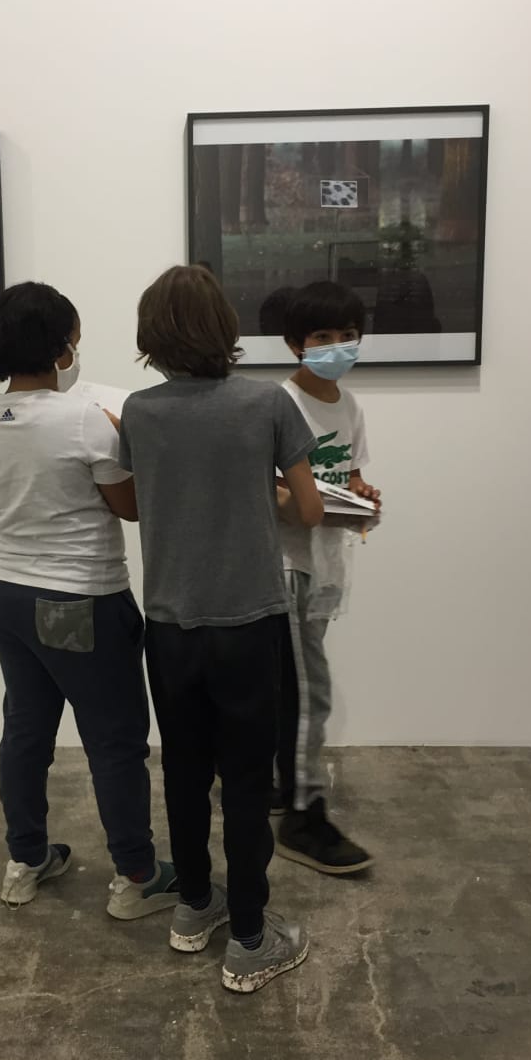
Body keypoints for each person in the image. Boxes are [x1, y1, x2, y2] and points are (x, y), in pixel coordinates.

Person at [118, 266, 323, 994]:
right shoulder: (266, 403)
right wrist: (258, 487)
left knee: (181, 771)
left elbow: (136, 505)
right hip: (248, 623)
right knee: (242, 782)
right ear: (225, 328)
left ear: (153, 336)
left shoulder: (139, 412)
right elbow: (309, 510)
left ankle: (193, 909)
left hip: (169, 625)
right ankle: (249, 937)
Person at [0, 281, 178, 919]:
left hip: (6, 593)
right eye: (74, 339)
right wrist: (123, 438)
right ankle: (138, 875)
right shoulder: (84, 417)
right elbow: (132, 509)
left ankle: (26, 860)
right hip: (79, 597)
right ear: (58, 344)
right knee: (114, 742)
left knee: (25, 732)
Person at [274, 280, 378, 874]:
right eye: (322, 337)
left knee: (293, 686)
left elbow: (351, 474)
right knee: (311, 691)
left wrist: (362, 497)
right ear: (295, 344)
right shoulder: (280, 405)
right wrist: (313, 503)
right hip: (291, 565)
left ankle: (282, 787)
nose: (337, 346)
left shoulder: (350, 405)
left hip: (331, 562)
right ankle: (302, 809)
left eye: (347, 336)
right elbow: (273, 492)